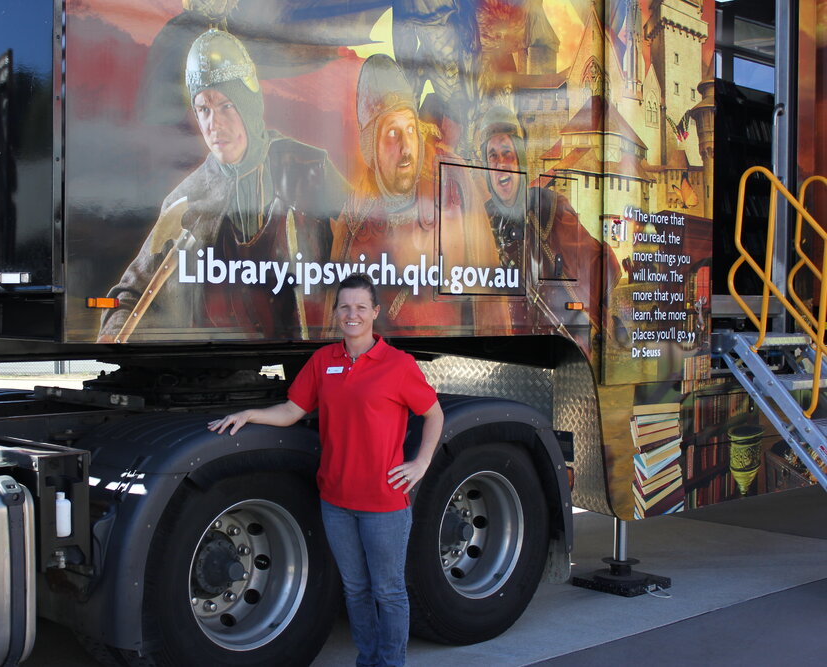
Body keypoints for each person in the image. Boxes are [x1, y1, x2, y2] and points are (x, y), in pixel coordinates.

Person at [208, 273, 444, 667]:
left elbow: (433, 414)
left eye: (361, 308)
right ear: (336, 313)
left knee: (388, 592)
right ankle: (367, 660)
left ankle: (391, 663)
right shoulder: (324, 361)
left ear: (375, 313)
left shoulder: (397, 365)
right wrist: (250, 413)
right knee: (354, 589)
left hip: (383, 503)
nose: (352, 315)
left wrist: (421, 463)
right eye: (345, 307)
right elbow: (292, 411)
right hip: (336, 500)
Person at [99, 28, 348, 342]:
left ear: (249, 106)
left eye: (226, 106)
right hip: (214, 357)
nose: (214, 125)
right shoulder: (186, 202)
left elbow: (367, 248)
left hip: (309, 357)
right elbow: (130, 294)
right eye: (203, 109)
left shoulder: (309, 167)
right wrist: (114, 332)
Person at [327, 54, 482, 336]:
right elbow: (336, 321)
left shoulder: (452, 183)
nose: (407, 147)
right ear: (372, 147)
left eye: (411, 129)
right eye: (392, 133)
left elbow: (488, 294)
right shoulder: (355, 215)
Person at [473, 105, 621, 339]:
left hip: (562, 345)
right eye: (493, 156)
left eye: (507, 153)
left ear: (519, 159)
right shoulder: (481, 221)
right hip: (507, 346)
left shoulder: (549, 207)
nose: (500, 162)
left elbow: (601, 269)